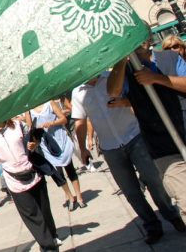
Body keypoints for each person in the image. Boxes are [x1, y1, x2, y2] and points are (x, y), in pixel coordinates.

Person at [73, 71, 185, 244]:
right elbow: (80, 122)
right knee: (131, 191)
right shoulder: (77, 92)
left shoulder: (113, 77)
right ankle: (152, 226)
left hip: (134, 136)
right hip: (110, 147)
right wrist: (83, 148)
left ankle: (172, 216)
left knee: (155, 181)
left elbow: (138, 100)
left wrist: (124, 102)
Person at [109, 41, 186, 209]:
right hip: (164, 148)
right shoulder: (125, 70)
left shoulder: (170, 57)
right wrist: (121, 60)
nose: (138, 41)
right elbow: (113, 91)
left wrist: (156, 78)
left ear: (149, 37)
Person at [0, 120, 60, 251]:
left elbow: (34, 140)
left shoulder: (18, 125)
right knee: (31, 215)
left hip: (33, 172)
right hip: (14, 180)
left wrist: (33, 144)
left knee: (44, 210)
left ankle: (52, 236)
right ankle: (47, 245)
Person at [24, 100, 86, 210]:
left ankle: (79, 197)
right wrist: (34, 144)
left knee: (70, 168)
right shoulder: (28, 112)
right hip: (47, 146)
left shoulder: (49, 103)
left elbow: (63, 119)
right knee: (58, 174)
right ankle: (70, 197)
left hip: (60, 140)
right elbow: (32, 133)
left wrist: (51, 123)